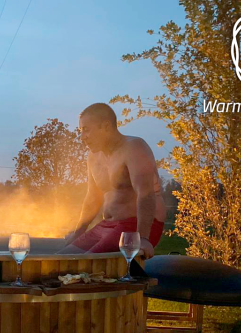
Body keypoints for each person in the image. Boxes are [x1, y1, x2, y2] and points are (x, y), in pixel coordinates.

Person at [58, 103, 165, 258]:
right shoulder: (93, 157)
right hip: (107, 226)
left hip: (135, 226)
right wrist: (78, 233)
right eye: (81, 131)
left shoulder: (134, 147)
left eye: (86, 130)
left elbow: (145, 192)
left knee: (83, 264)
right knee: (60, 259)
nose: (82, 137)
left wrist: (142, 238)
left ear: (106, 126)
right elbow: (92, 198)